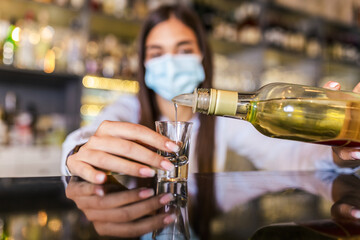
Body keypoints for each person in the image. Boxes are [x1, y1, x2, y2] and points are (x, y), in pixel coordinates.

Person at [62, 4, 360, 184]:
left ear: (202, 57)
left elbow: (292, 157)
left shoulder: (224, 119)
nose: (171, 62)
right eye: (157, 53)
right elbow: (84, 137)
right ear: (143, 64)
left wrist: (339, 151)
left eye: (184, 50)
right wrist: (79, 153)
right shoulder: (127, 110)